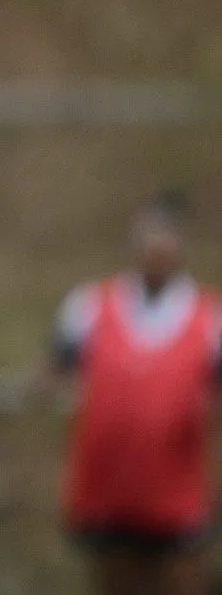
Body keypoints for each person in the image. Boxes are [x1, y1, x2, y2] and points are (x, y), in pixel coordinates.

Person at [45, 192, 217, 595]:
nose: (156, 250)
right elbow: (54, 371)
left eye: (166, 240)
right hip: (110, 489)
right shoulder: (89, 306)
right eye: (148, 239)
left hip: (177, 491)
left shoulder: (208, 317)